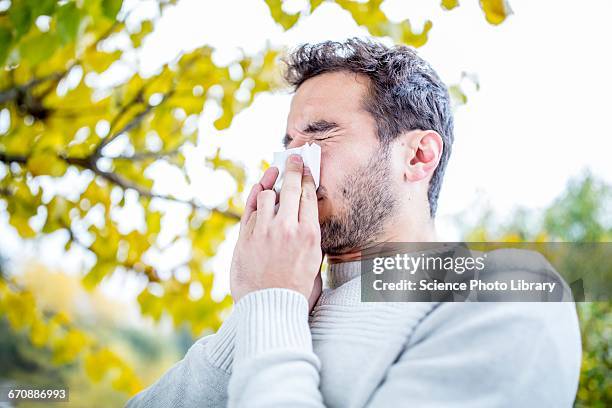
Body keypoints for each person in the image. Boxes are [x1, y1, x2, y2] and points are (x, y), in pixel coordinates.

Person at [127, 38, 581, 408]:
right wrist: (258, 312)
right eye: (288, 142)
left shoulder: (514, 293)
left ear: (418, 156)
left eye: (321, 133)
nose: (292, 163)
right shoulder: (289, 303)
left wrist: (271, 306)